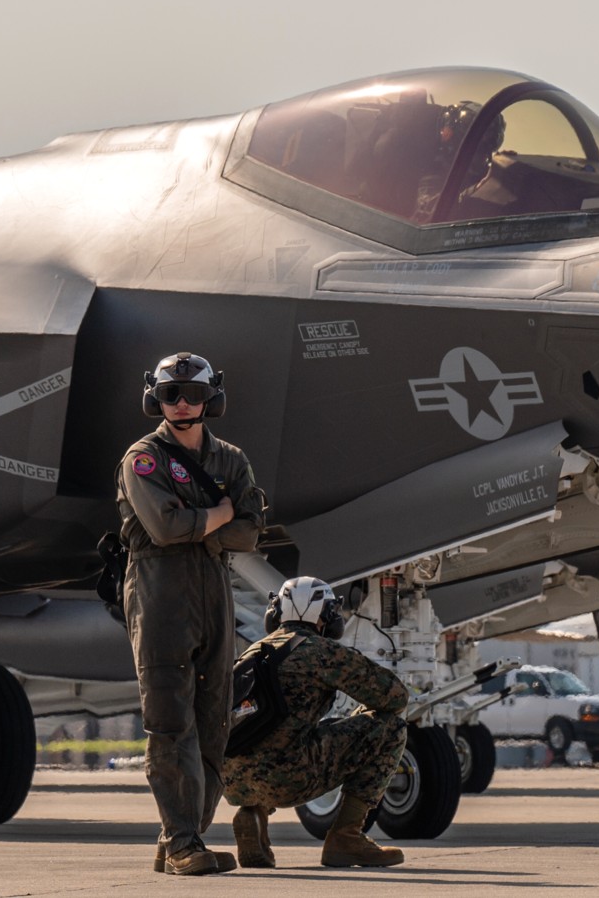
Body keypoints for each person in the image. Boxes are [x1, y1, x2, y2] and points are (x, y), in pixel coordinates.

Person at [115, 352, 268, 876]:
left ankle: (182, 835)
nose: (181, 404)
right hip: (160, 593)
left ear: (212, 399)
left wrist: (199, 521)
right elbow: (162, 528)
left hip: (213, 588)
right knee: (169, 721)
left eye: (193, 395)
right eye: (170, 395)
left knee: (213, 718)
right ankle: (182, 841)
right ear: (154, 399)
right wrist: (221, 513)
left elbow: (250, 533)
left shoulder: (231, 459)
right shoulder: (144, 459)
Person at [222, 576, 410, 869]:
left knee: (282, 733)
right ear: (329, 616)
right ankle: (346, 838)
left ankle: (252, 814)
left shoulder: (251, 652)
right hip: (288, 779)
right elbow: (395, 697)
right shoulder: (322, 651)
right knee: (391, 728)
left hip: (234, 782)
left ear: (276, 613)